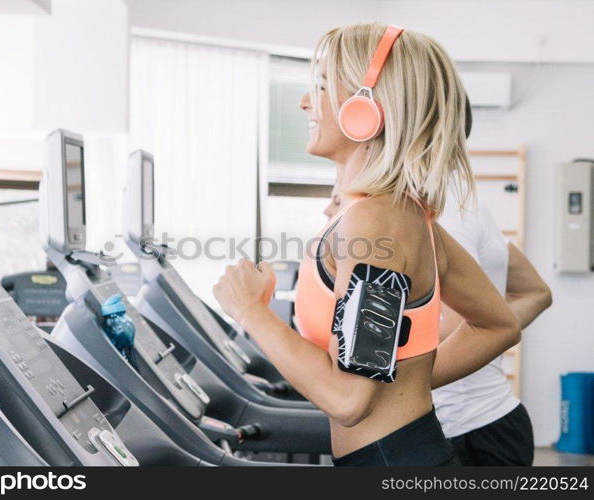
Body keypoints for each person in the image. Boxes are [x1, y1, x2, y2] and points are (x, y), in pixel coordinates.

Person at [213, 23, 521, 466]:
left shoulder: (377, 223)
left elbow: (349, 400)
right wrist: (406, 383)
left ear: (365, 108)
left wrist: (251, 312)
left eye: (320, 86)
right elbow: (498, 325)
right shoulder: (397, 212)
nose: (304, 102)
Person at [435, 192, 552, 465]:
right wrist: (491, 329)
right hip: (483, 425)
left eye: (337, 201)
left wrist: (487, 331)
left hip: (467, 431)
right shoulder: (463, 205)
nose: (329, 212)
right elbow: (536, 292)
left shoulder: (449, 212)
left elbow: (454, 328)